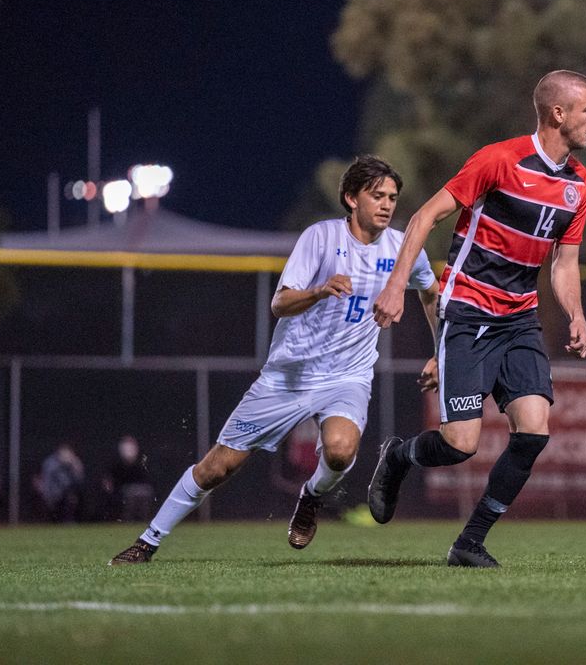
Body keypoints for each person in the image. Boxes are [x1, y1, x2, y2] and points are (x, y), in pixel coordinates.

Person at [110, 155, 439, 564]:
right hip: (289, 376)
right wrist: (319, 291)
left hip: (347, 377)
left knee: (340, 451)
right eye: (378, 196)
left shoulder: (402, 246)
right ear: (351, 198)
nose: (388, 204)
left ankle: (311, 497)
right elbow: (279, 303)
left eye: (392, 197)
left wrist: (439, 353)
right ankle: (148, 541)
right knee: (219, 467)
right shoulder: (320, 238)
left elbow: (430, 291)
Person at [367, 70, 586, 568]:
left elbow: (565, 263)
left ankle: (469, 543)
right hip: (468, 310)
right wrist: (396, 284)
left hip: (520, 319)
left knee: (534, 431)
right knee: (460, 445)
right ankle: (399, 456)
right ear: (558, 114)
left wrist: (575, 312)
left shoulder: (579, 183)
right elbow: (425, 215)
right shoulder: (498, 160)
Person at [101, 435, 153, 521]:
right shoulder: (116, 463)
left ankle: (144, 520)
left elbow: (146, 478)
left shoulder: (141, 461)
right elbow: (111, 479)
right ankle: (128, 520)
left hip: (141, 488)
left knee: (143, 495)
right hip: (124, 489)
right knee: (131, 498)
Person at [36, 441, 85, 523]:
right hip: (52, 493)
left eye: (68, 453)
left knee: (71, 497)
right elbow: (47, 481)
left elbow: (79, 480)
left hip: (67, 495)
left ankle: (69, 522)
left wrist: (75, 465)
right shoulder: (50, 463)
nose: (66, 455)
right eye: (64, 453)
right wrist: (46, 493)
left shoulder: (73, 462)